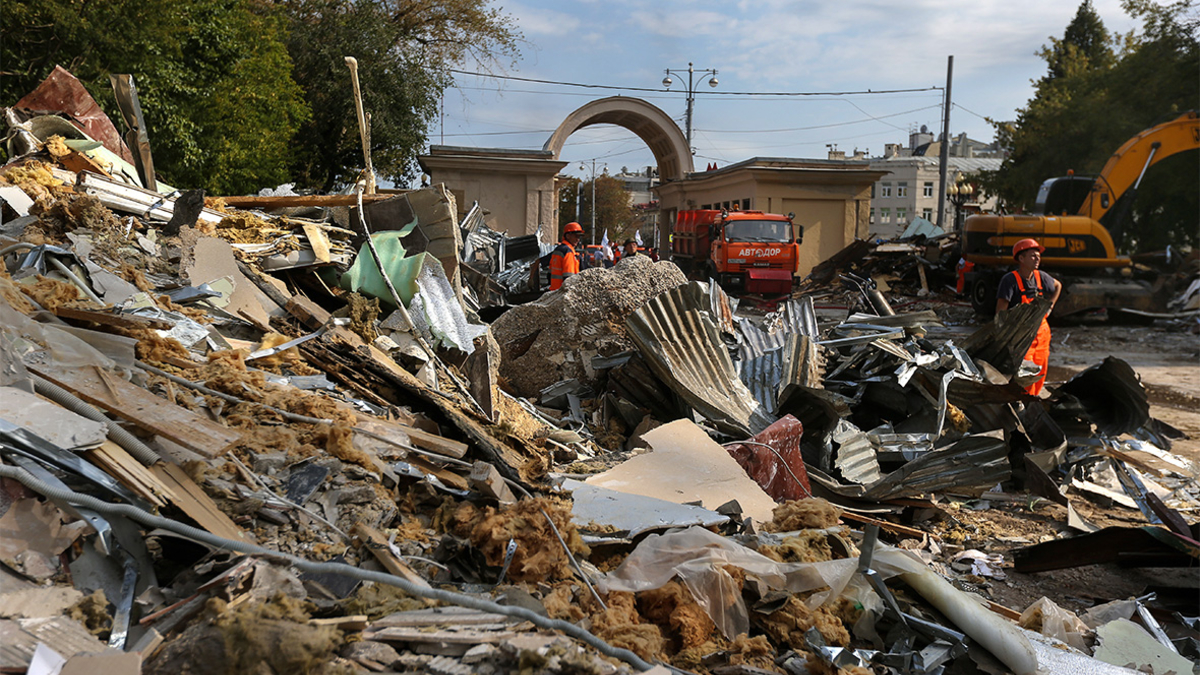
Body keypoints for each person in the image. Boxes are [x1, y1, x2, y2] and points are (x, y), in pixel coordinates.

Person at [996, 238, 1061, 395]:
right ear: (1021, 258)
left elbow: (1058, 285)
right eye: (1033, 255)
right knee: (1025, 373)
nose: (1037, 258)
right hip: (1023, 337)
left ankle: (1032, 402)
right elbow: (1000, 312)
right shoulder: (1010, 280)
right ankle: (1021, 402)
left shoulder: (1041, 277)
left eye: (1038, 255)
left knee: (1040, 372)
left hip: (1042, 334)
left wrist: (1050, 306)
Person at [549, 222, 584, 290]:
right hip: (564, 292)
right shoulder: (568, 251)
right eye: (576, 236)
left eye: (579, 237)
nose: (578, 239)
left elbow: (549, 274)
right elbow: (569, 277)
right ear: (568, 236)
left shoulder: (558, 250)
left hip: (555, 290)